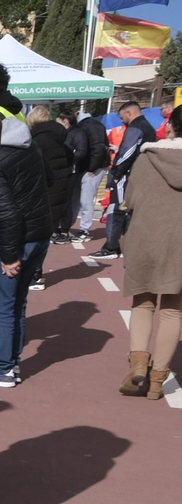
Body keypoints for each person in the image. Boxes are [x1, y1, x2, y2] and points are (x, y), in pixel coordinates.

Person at [0, 96, 51, 389]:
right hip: (38, 233)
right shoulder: (28, 146)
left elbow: (5, 213)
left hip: (14, 239)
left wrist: (9, 255)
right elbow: (50, 179)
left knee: (1, 304)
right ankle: (11, 361)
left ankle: (2, 367)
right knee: (17, 302)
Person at [117, 105, 182, 399]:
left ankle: (138, 364)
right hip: (179, 244)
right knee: (173, 310)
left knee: (143, 303)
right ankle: (158, 380)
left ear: (170, 127)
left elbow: (130, 200)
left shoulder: (148, 158)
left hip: (145, 238)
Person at [92, 102, 159, 261]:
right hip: (139, 174)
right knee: (128, 211)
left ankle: (111, 247)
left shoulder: (135, 127)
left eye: (122, 118)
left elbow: (127, 153)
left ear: (129, 113)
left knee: (115, 210)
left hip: (126, 174)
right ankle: (123, 245)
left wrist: (116, 173)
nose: (122, 121)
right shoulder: (149, 128)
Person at [28, 105, 75, 248]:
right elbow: (70, 157)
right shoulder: (58, 137)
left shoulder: (37, 140)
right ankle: (58, 233)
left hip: (44, 184)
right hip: (60, 181)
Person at [69, 111, 111, 242]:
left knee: (86, 198)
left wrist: (92, 168)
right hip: (93, 165)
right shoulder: (93, 125)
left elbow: (97, 147)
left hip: (94, 167)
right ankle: (82, 228)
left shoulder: (88, 126)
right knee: (84, 198)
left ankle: (84, 230)